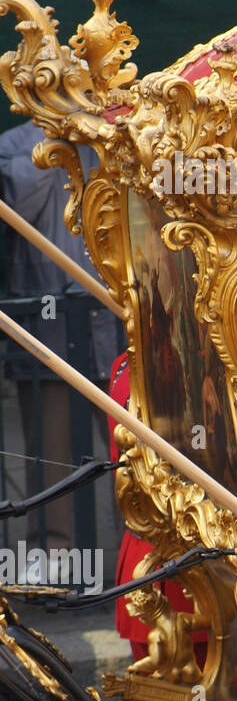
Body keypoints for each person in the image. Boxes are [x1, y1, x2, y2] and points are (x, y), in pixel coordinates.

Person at [0, 121, 117, 551]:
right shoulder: (12, 146)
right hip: (47, 333)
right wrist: (53, 138)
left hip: (112, 327)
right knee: (50, 458)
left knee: (135, 454)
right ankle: (55, 558)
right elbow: (17, 204)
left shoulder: (110, 133)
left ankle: (147, 561)